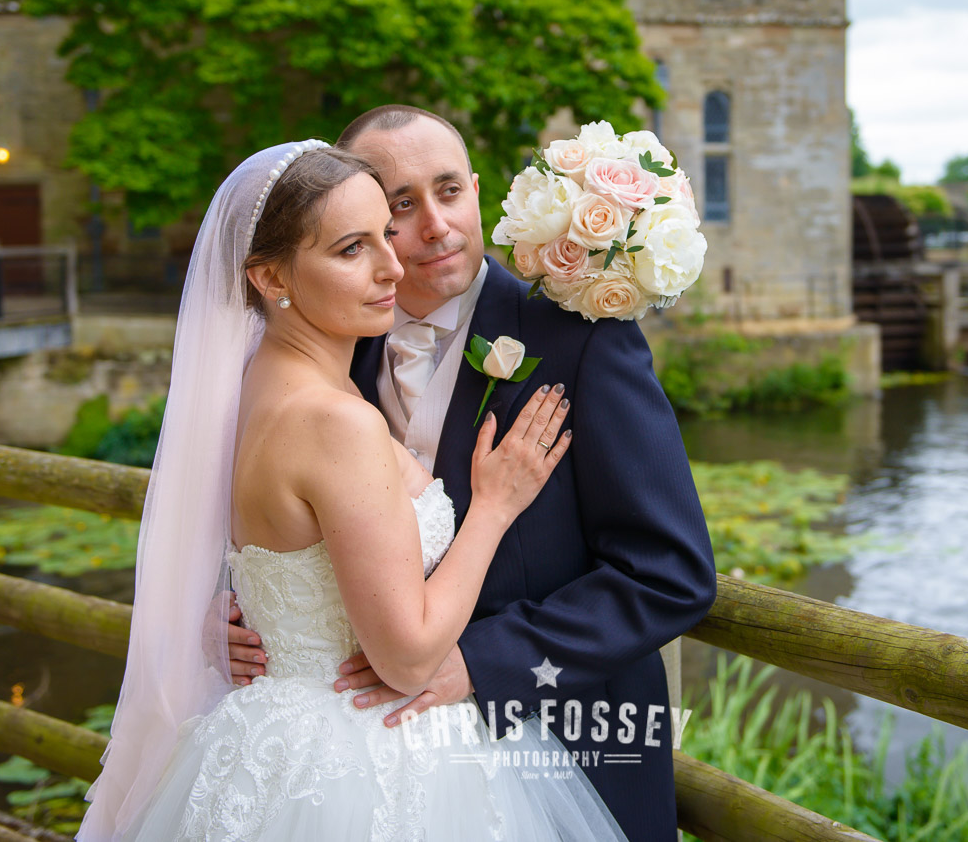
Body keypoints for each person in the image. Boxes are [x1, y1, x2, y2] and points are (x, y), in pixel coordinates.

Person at [78, 141, 628, 841]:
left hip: (266, 741)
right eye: (350, 249)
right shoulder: (336, 421)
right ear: (271, 276)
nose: (392, 266)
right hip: (365, 757)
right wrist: (493, 508)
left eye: (383, 236)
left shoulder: (252, 385)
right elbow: (406, 658)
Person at [226, 108, 717, 842]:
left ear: (480, 190)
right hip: (364, 778)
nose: (436, 226)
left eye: (450, 191)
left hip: (567, 756)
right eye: (399, 206)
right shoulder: (331, 348)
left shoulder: (582, 342)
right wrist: (241, 613)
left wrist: (482, 664)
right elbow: (282, 517)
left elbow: (671, 572)